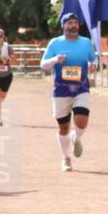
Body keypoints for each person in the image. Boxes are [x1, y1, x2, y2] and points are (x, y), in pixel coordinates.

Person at [40, 12, 97, 172]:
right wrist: (55, 60)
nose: (73, 26)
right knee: (64, 127)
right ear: (63, 26)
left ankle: (77, 137)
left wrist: (93, 65)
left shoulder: (86, 43)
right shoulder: (54, 43)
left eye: (75, 23)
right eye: (70, 23)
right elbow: (43, 64)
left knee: (81, 121)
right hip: (61, 91)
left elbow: (94, 59)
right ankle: (66, 158)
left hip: (81, 88)